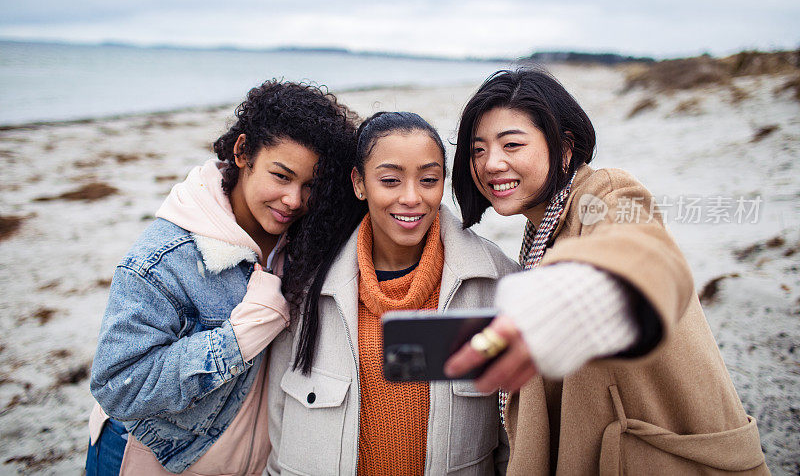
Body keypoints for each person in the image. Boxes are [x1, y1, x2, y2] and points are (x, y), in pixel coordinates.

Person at [444, 68, 769, 475]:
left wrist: (583, 291)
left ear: (565, 148)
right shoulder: (538, 231)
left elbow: (644, 252)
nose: (492, 163)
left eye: (512, 144)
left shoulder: (605, 193)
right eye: (478, 150)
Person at [85, 80, 359, 475]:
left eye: (310, 186)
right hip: (152, 459)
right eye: (281, 176)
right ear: (243, 151)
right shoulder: (166, 258)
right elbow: (117, 385)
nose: (294, 200)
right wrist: (235, 341)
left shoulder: (303, 237)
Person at [266, 111, 518, 475]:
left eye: (428, 180)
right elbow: (279, 419)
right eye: (390, 180)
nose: (412, 197)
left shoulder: (496, 281)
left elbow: (512, 432)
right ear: (359, 183)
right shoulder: (309, 284)